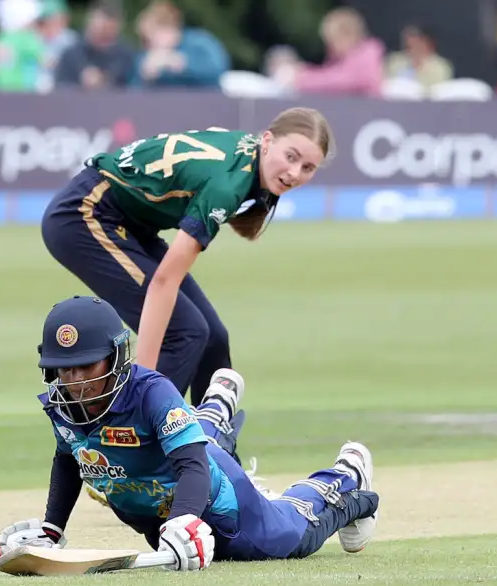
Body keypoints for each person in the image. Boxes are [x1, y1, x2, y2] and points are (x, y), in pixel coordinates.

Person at [0, 296, 379, 570]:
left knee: (296, 534)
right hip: (161, 514)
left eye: (86, 366)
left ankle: (344, 477)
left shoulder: (152, 393)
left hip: (226, 513)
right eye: (64, 369)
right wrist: (51, 530)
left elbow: (193, 464)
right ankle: (214, 411)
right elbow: (68, 460)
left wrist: (184, 521)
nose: (75, 382)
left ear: (116, 356)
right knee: (189, 434)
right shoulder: (63, 407)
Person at [41, 107, 333, 406]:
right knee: (184, 333)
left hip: (130, 223)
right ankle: (136, 436)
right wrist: (145, 378)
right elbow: (164, 282)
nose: (294, 174)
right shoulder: (226, 186)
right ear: (268, 141)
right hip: (84, 214)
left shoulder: (248, 154)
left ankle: (210, 442)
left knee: (212, 339)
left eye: (307, 168)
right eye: (291, 157)